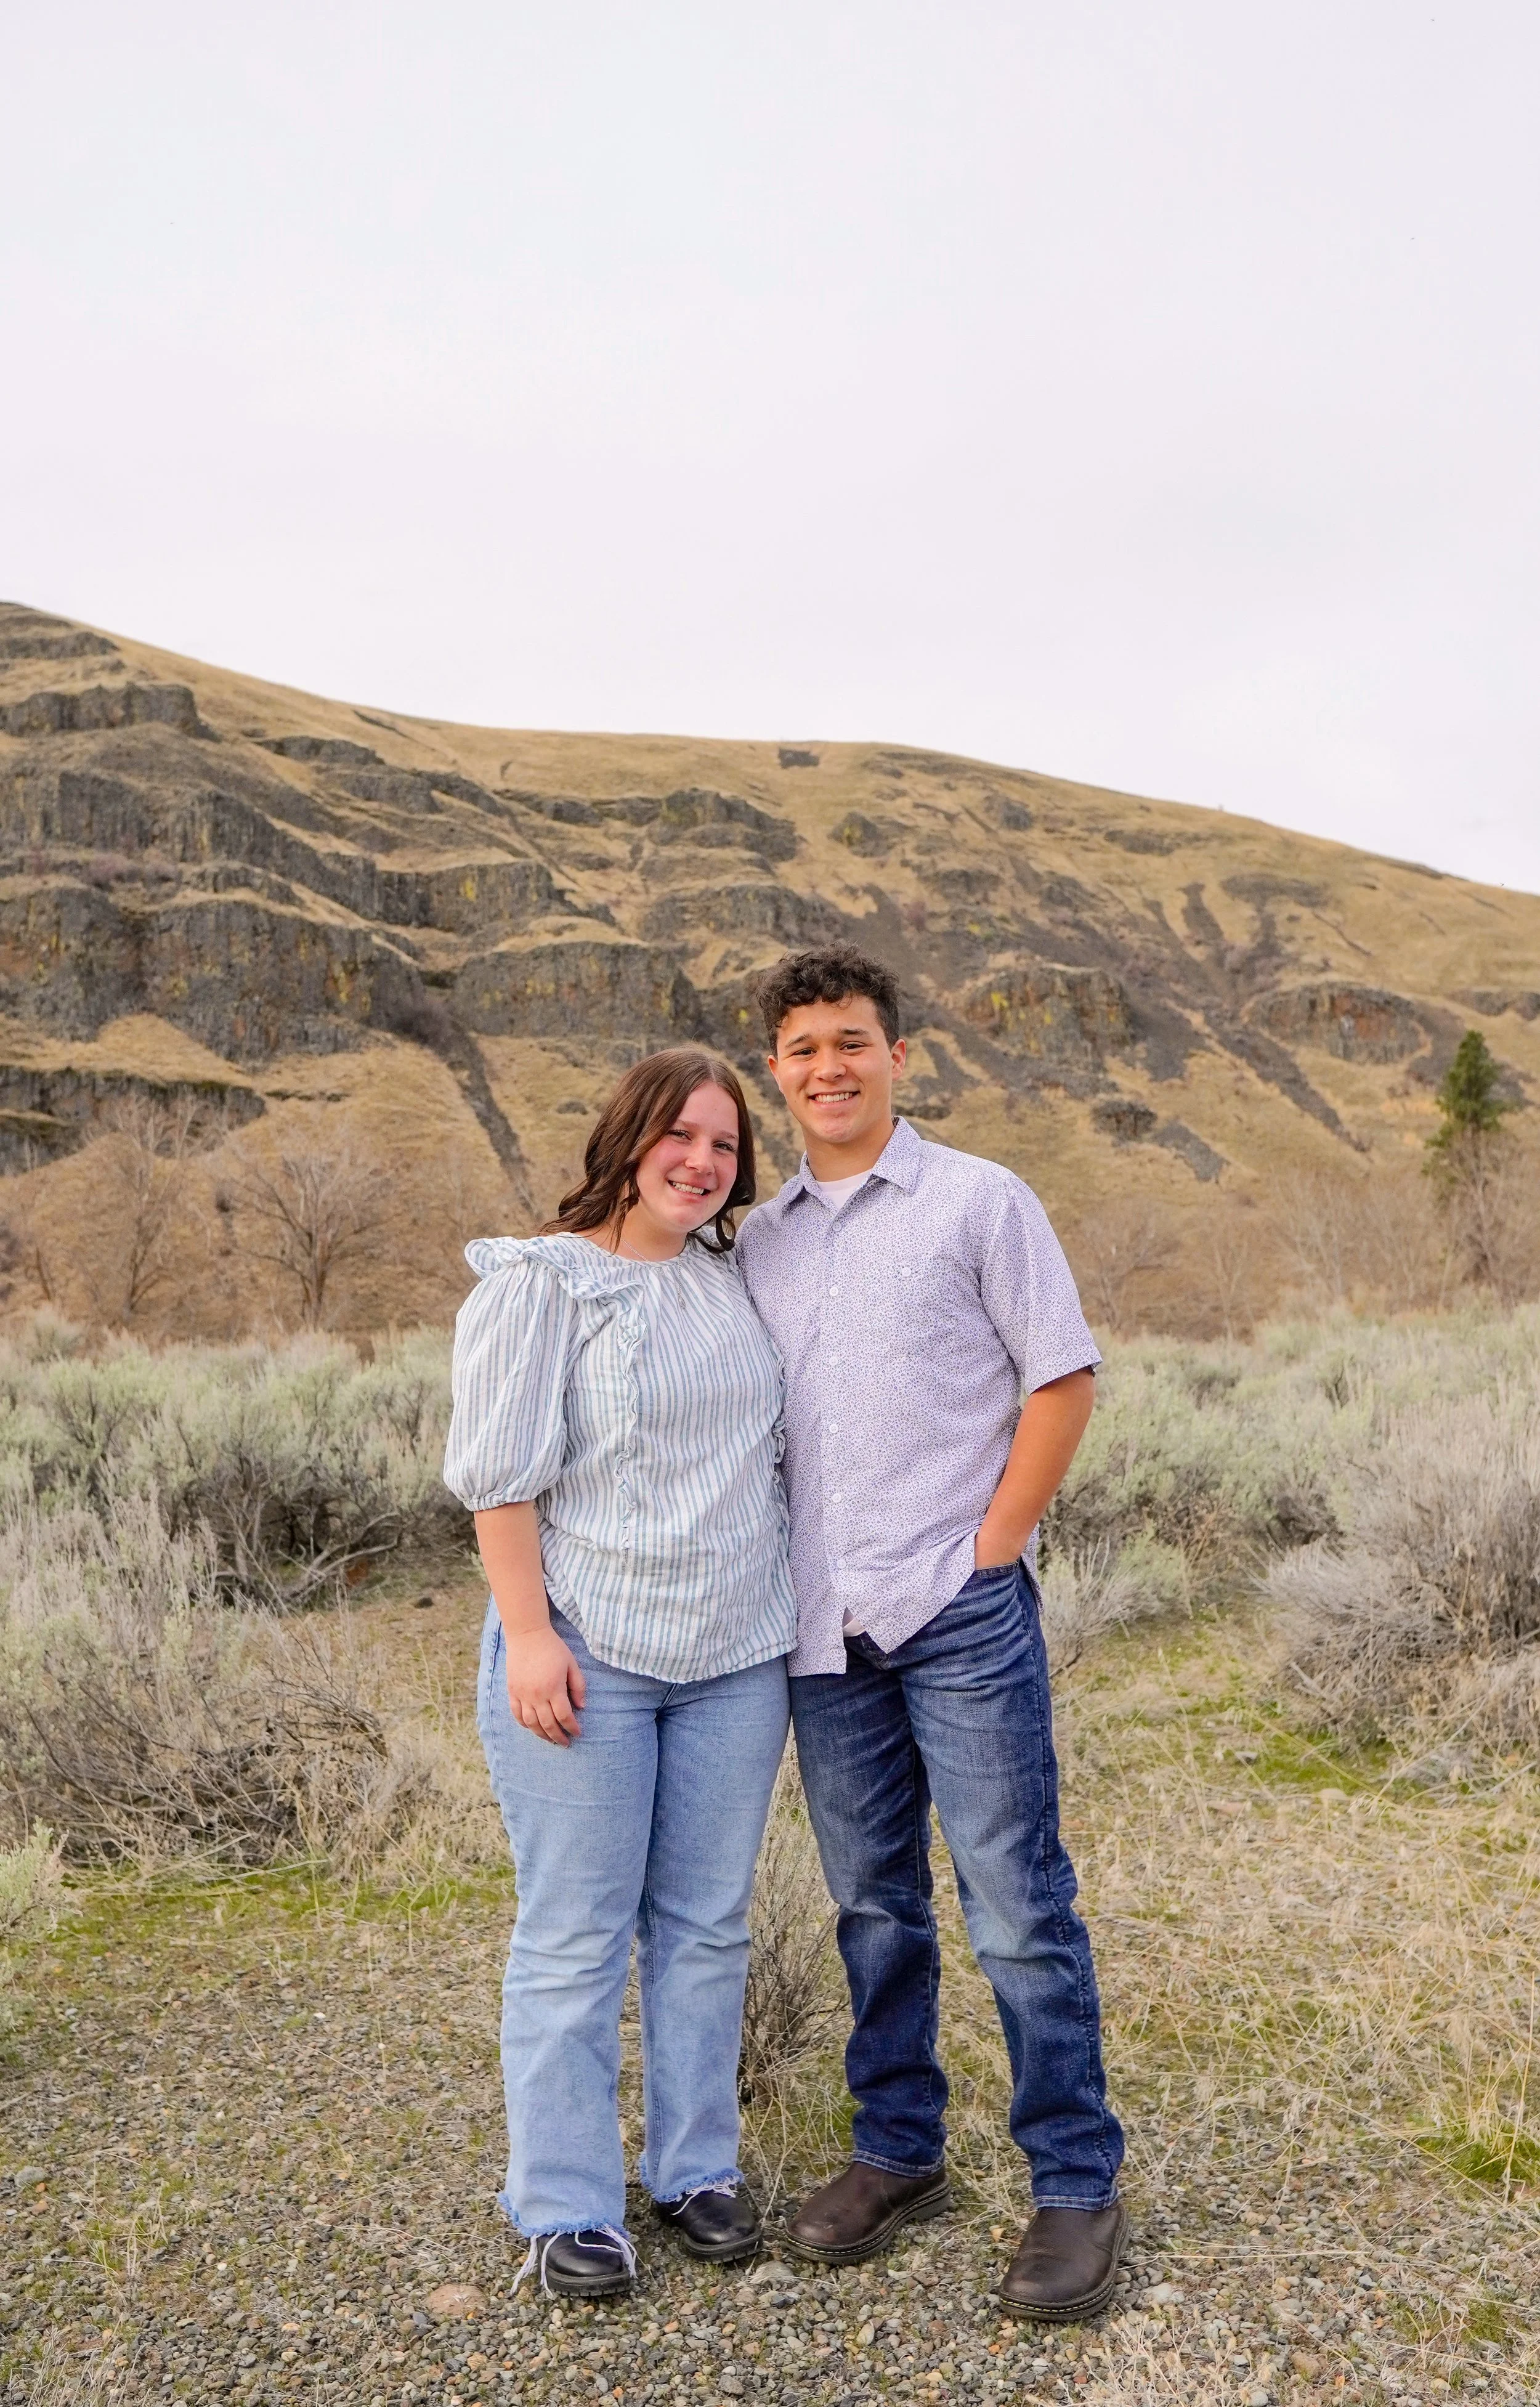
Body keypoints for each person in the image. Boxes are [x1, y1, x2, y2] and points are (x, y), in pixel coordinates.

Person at [735, 944, 1127, 2322]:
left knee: (1015, 1904)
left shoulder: (978, 1201)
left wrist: (992, 1550)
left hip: (953, 1608)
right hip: (819, 1630)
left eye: (851, 1040)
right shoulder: (761, 1237)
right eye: (801, 1049)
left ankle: (1074, 2179)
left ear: (897, 1054)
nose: (827, 1067)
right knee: (872, 1907)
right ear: (774, 1073)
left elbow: (1060, 1377)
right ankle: (899, 2150)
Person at [443, 1047, 797, 2299]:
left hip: (737, 1655)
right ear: (628, 1138)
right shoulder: (541, 1284)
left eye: (724, 1146)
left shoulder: (730, 1280)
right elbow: (499, 1476)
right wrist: (528, 1635)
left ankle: (695, 2169)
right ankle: (566, 2203)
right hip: (587, 1650)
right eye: (682, 1136)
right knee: (576, 1934)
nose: (703, 1162)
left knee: (705, 1928)